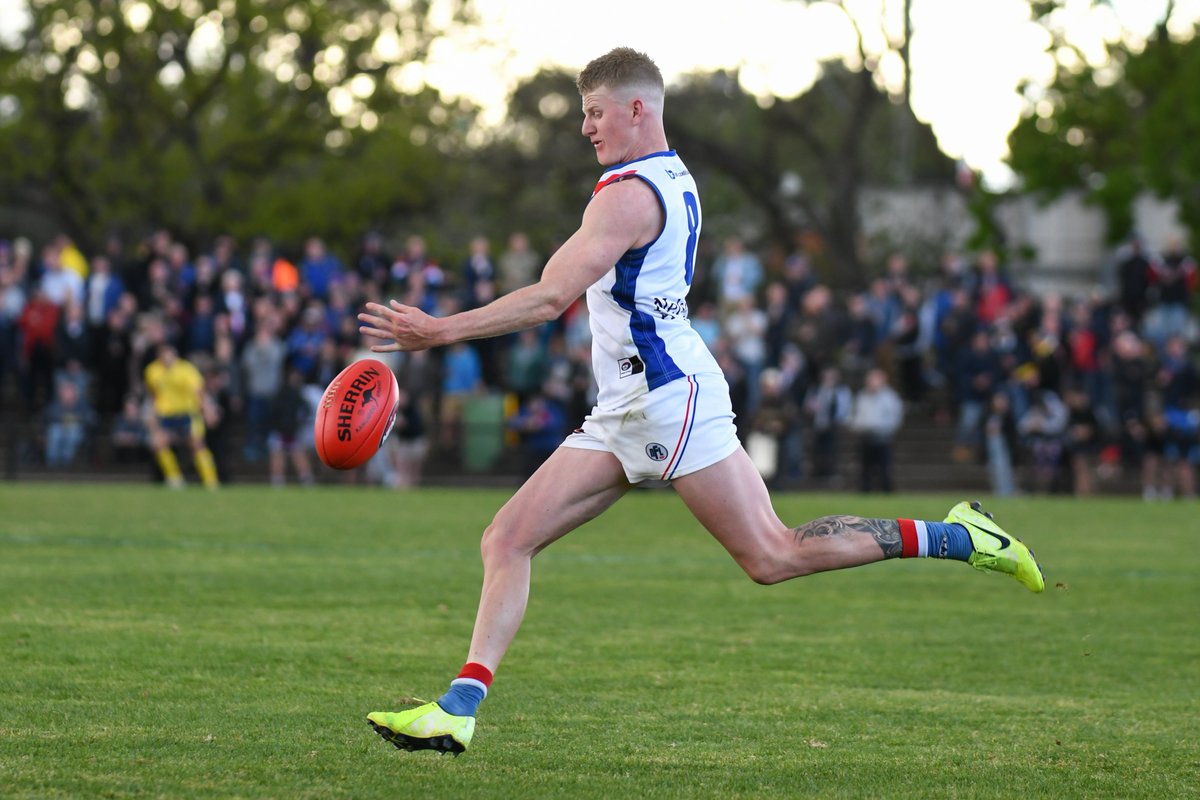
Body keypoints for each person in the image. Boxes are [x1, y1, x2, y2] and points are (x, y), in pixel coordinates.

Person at [358, 47, 1045, 756]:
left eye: (595, 113)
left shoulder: (626, 194)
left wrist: (439, 330)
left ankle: (961, 538)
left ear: (637, 109)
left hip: (666, 401)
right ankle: (459, 708)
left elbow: (548, 297)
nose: (586, 129)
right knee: (507, 537)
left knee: (771, 554)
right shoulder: (664, 175)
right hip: (626, 405)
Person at [142, 342, 220, 489]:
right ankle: (175, 479)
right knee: (158, 443)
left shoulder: (186, 369)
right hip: (167, 414)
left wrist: (208, 410)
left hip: (187, 413)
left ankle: (211, 481)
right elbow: (153, 393)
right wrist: (151, 412)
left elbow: (199, 392)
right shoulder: (152, 371)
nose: (167, 358)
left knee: (197, 444)